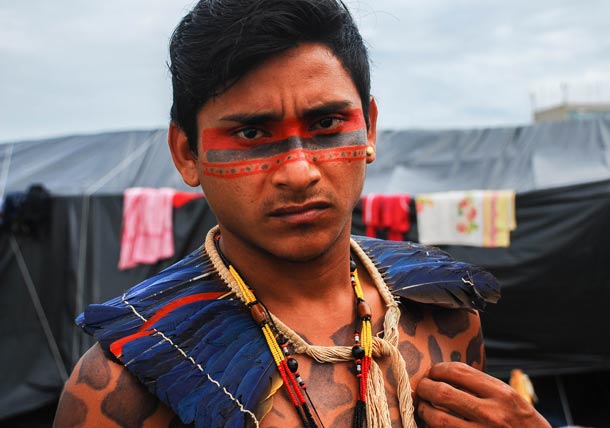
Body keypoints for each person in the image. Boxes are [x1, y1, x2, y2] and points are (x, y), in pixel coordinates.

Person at [53, 0, 550, 427]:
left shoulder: (444, 316)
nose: (298, 172)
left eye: (327, 123)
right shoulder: (129, 379)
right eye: (251, 133)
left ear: (369, 129)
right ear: (186, 152)